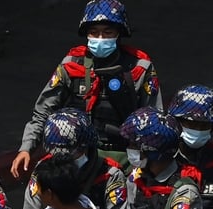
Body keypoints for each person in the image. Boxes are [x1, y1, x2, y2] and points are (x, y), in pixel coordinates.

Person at [11, 0, 162, 179]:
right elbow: (44, 111)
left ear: (119, 33)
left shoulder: (140, 68)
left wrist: (148, 161)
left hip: (125, 158)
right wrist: (26, 148)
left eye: (107, 32)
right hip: (76, 155)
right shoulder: (71, 65)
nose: (100, 38)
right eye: (94, 32)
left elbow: (155, 120)